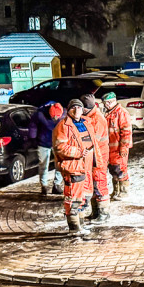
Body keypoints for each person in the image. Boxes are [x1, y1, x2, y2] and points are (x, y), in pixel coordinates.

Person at [52, 99, 94, 231]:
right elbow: (60, 147)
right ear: (68, 110)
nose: (77, 111)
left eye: (79, 108)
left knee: (85, 197)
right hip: (74, 167)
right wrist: (79, 152)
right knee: (73, 198)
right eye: (73, 108)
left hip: (86, 166)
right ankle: (74, 228)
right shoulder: (63, 126)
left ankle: (80, 224)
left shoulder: (86, 123)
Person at [80, 94, 111, 222]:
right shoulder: (90, 117)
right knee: (94, 185)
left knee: (99, 184)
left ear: (86, 108)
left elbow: (94, 141)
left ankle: (104, 214)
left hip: (99, 158)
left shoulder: (97, 119)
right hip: (94, 157)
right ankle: (96, 212)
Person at [102, 91, 132, 199]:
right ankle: (116, 191)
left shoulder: (121, 113)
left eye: (108, 103)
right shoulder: (108, 113)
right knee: (113, 169)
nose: (106, 105)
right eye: (105, 103)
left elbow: (126, 132)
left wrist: (124, 147)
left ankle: (123, 191)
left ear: (113, 101)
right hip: (110, 148)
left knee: (121, 169)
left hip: (118, 148)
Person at [29, 101, 64, 196]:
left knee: (60, 164)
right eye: (53, 117)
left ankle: (57, 184)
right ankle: (44, 185)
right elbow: (33, 126)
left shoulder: (64, 115)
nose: (55, 119)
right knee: (43, 164)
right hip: (44, 142)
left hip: (58, 143)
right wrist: (33, 138)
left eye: (57, 117)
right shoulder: (40, 114)